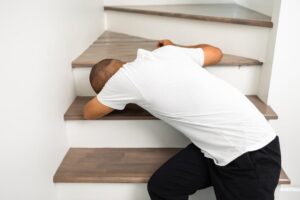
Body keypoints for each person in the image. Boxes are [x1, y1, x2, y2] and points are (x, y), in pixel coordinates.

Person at [83, 40, 281, 200]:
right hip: (216, 148)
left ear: (108, 87)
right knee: (163, 188)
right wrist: (175, 46)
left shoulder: (121, 81)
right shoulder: (167, 53)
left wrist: (111, 96)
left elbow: (89, 112)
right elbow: (215, 52)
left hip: (250, 153)